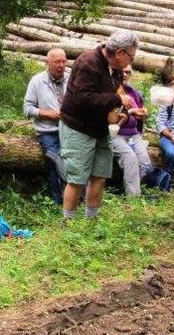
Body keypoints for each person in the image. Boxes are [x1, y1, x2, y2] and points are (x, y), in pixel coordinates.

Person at [58, 30, 137, 220]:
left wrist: (120, 113)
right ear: (119, 52)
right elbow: (83, 98)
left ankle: (91, 221)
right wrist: (116, 99)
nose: (131, 61)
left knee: (100, 175)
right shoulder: (88, 63)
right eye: (131, 56)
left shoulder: (115, 68)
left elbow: (114, 96)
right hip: (78, 127)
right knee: (77, 179)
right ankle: (69, 223)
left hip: (101, 129)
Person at [22, 48, 69, 204]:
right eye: (57, 62)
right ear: (48, 63)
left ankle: (77, 199)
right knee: (55, 160)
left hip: (70, 129)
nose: (61, 65)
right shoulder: (37, 81)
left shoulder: (71, 80)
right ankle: (58, 201)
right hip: (48, 131)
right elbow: (27, 108)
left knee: (75, 160)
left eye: (63, 61)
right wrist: (47, 114)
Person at [111, 66, 152, 197]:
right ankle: (133, 197)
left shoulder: (132, 91)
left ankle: (136, 188)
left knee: (145, 162)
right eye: (121, 71)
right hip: (116, 133)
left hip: (134, 134)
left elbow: (142, 108)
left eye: (128, 72)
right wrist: (130, 112)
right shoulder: (111, 92)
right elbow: (112, 117)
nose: (124, 74)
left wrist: (143, 113)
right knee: (130, 158)